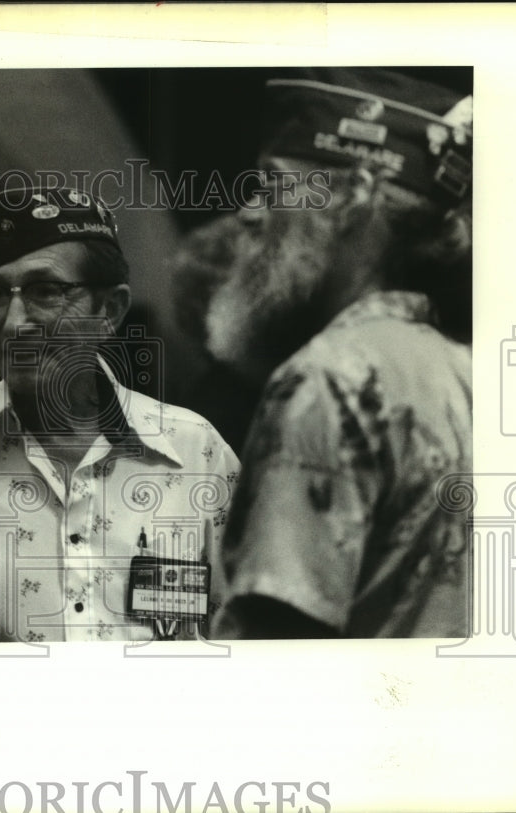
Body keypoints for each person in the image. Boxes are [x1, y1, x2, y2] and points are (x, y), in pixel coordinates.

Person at [176, 69, 473, 638]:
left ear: (353, 197)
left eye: (272, 183)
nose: (251, 211)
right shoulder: (458, 361)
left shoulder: (334, 378)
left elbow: (278, 663)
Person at [0, 185, 240, 643]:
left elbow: (243, 642)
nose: (14, 323)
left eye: (45, 291)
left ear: (109, 310)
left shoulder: (196, 454)